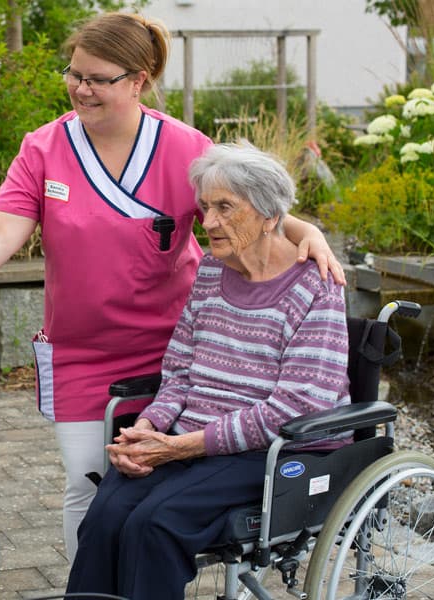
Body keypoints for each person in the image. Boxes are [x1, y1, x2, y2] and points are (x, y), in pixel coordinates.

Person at [0, 11, 346, 562]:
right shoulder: (43, 148)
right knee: (89, 483)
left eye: (100, 79)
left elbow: (241, 205)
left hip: (174, 352)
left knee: (157, 490)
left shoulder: (184, 146)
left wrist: (303, 228)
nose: (81, 88)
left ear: (139, 80)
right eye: (74, 74)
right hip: (82, 351)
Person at [64, 141, 351, 600]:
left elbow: (293, 408)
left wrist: (178, 447)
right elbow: (179, 370)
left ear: (269, 216)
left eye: (224, 207)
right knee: (104, 517)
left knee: (154, 524)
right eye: (204, 207)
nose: (209, 221)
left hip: (275, 452)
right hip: (192, 440)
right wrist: (145, 429)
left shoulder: (317, 286)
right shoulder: (213, 271)